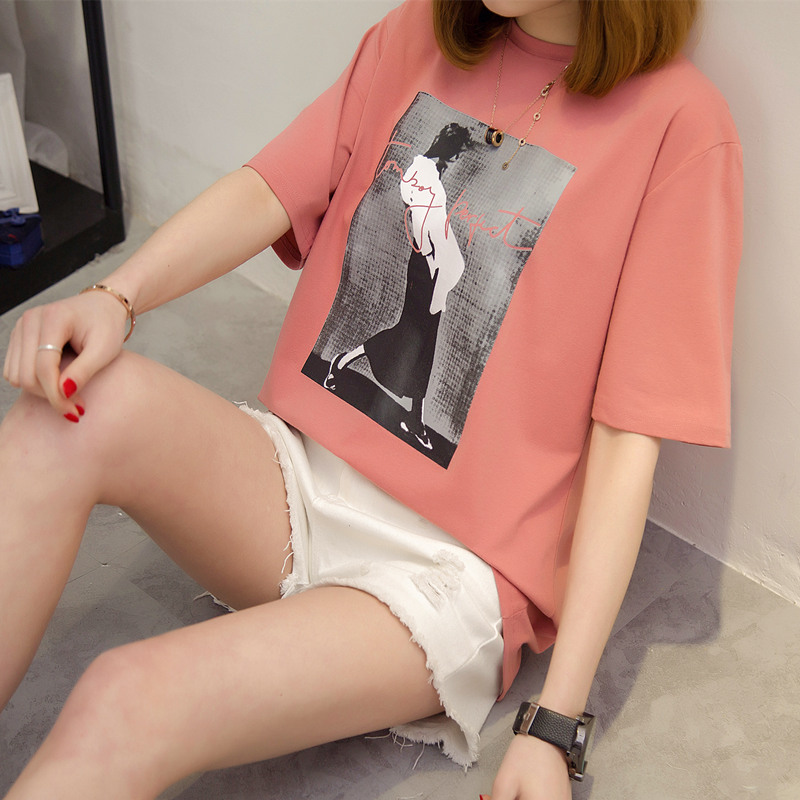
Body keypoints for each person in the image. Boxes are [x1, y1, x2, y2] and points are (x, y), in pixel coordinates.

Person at [0, 1, 742, 799]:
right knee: (68, 410)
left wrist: (553, 727)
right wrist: (117, 297)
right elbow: (271, 187)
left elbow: (628, 440)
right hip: (294, 481)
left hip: (443, 576)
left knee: (125, 699)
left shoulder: (680, 127)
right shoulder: (417, 33)